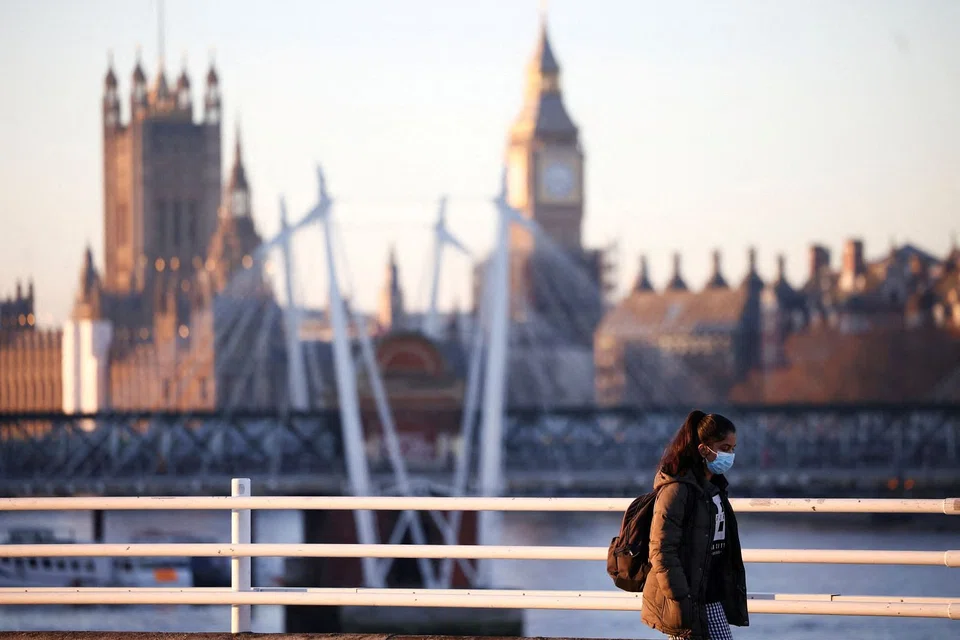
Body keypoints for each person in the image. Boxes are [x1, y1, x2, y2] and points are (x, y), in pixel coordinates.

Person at [641, 410, 749, 640]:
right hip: (688, 600)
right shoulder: (676, 491)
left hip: (710, 596)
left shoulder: (715, 490)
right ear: (703, 449)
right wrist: (681, 601)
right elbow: (661, 550)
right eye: (724, 448)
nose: (730, 455)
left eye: (733, 449)